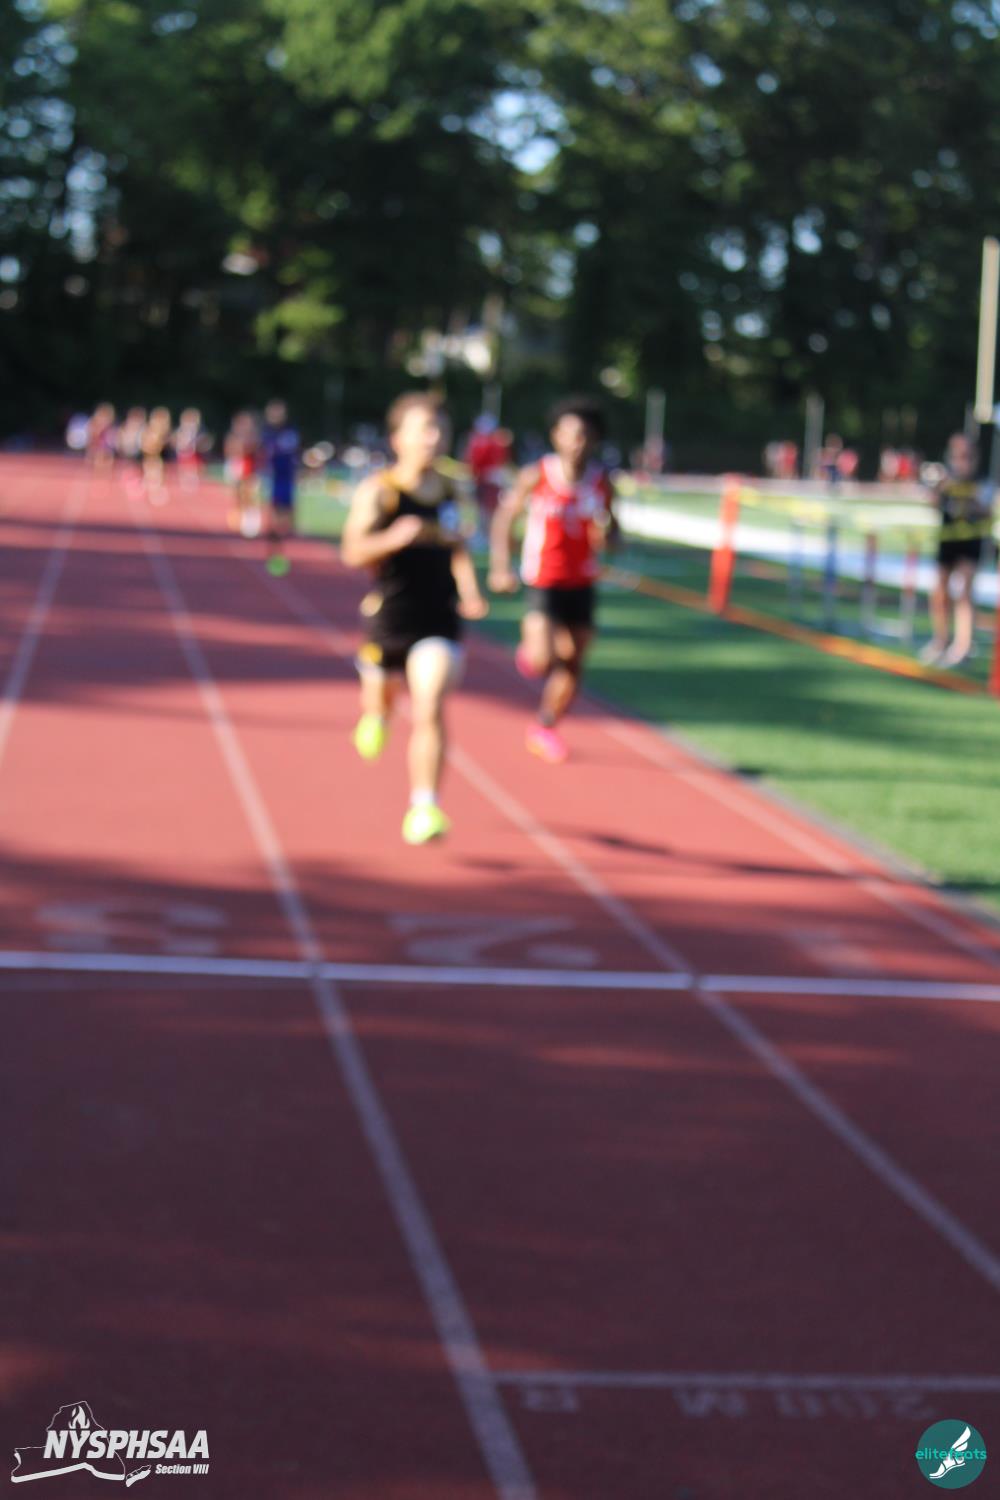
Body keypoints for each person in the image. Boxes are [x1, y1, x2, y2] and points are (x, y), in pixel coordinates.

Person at [341, 392, 488, 845]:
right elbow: (352, 551)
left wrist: (470, 590)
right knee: (382, 700)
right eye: (424, 429)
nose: (433, 438)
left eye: (440, 428)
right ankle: (376, 716)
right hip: (390, 617)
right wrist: (393, 538)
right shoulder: (380, 491)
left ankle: (424, 807)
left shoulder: (453, 490)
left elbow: (458, 546)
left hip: (438, 618)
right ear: (397, 438)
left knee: (430, 704)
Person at [488, 395, 617, 764]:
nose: (576, 443)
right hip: (543, 578)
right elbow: (504, 519)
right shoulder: (537, 475)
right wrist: (500, 566)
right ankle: (532, 651)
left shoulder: (602, 482)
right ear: (556, 436)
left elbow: (614, 530)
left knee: (574, 661)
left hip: (582, 581)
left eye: (584, 435)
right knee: (543, 659)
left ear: (594, 439)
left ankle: (545, 727)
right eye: (569, 434)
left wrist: (608, 536)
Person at [920, 433, 992, 668]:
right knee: (939, 590)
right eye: (958, 455)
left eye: (967, 455)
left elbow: (987, 510)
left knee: (964, 591)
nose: (962, 460)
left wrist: (969, 498)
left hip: (970, 541)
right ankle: (940, 640)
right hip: (948, 539)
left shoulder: (982, 481)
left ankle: (963, 647)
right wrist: (940, 487)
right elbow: (932, 503)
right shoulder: (945, 479)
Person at [260, 399, 300, 576]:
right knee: (274, 518)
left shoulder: (291, 431)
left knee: (288, 521)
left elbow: (294, 454)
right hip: (273, 480)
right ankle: (274, 553)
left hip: (288, 480)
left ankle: (280, 550)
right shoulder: (266, 433)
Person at [224, 412, 261, 535]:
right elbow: (231, 451)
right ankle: (241, 518)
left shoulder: (254, 437)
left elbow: (253, 450)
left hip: (250, 471)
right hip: (238, 470)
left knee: (250, 497)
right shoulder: (233, 437)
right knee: (239, 496)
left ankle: (250, 522)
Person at [141, 406, 173, 503]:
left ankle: (155, 491)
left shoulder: (164, 431)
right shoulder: (150, 430)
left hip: (158, 456)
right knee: (151, 473)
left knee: (158, 474)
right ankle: (151, 491)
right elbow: (146, 444)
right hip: (151, 455)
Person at [174, 408, 205, 491]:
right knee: (184, 468)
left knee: (193, 469)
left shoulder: (198, 431)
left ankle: (193, 483)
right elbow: (179, 441)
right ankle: (185, 483)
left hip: (192, 453)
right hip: (183, 453)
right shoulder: (181, 430)